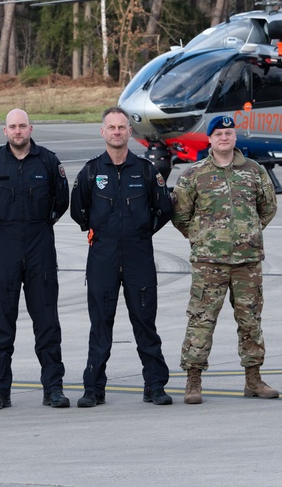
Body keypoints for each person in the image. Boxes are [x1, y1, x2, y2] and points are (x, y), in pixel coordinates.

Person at [171, 114, 279, 404]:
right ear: (209, 138)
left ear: (235, 137)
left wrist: (247, 232)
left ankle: (253, 379)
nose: (224, 137)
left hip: (248, 262)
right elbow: (180, 214)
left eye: (229, 133)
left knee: (250, 320)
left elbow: (267, 207)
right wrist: (202, 237)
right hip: (209, 262)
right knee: (201, 321)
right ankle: (193, 381)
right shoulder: (194, 175)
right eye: (218, 133)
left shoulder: (254, 171)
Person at [70, 107, 174, 407]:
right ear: (102, 132)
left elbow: (163, 209)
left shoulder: (145, 170)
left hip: (138, 255)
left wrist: (140, 233)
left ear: (130, 132)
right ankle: (94, 388)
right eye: (111, 127)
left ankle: (155, 385)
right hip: (102, 256)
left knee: (145, 322)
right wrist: (103, 234)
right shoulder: (91, 172)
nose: (116, 132)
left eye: (122, 127)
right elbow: (79, 211)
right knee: (100, 324)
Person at [0, 109, 71, 410]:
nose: (17, 131)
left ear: (31, 128)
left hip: (40, 244)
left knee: (47, 323)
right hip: (3, 245)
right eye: (12, 127)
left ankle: (53, 388)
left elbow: (62, 199)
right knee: (2, 324)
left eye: (22, 126)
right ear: (5, 131)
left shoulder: (48, 161)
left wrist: (44, 225)